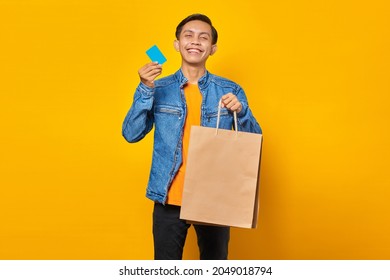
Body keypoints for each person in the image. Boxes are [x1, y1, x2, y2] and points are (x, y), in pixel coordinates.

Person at [122, 13, 262, 260]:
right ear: (177, 44)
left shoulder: (230, 90)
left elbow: (253, 142)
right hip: (168, 196)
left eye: (203, 37)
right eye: (188, 35)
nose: (195, 41)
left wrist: (241, 112)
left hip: (214, 196)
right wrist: (145, 88)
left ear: (212, 49)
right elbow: (131, 134)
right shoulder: (158, 87)